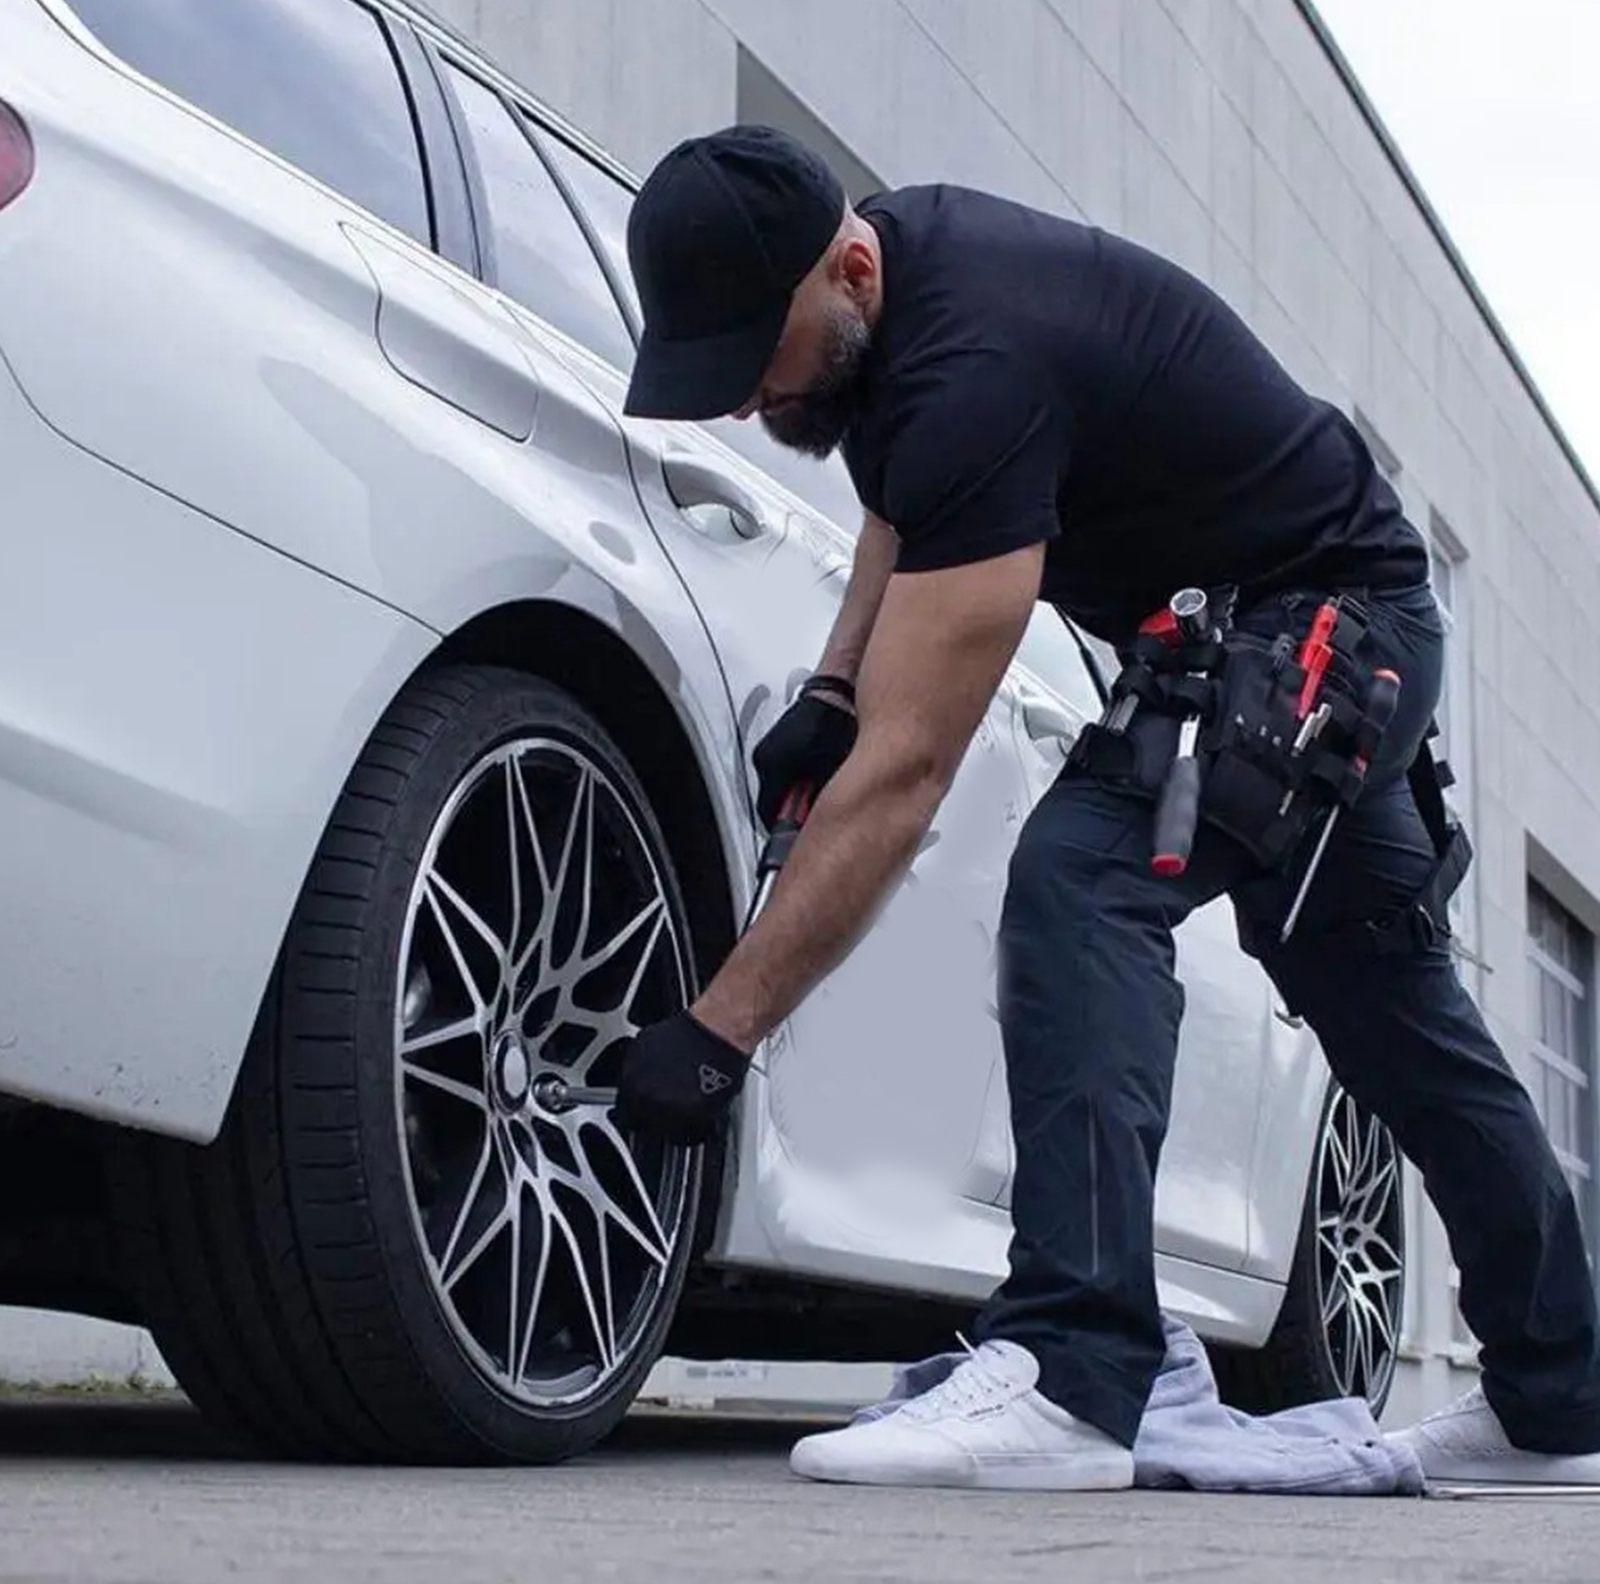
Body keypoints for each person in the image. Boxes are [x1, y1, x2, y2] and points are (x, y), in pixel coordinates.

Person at [610, 123, 1600, 1492]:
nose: (739, 404)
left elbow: (906, 777)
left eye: (753, 358)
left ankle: (1073, 1374)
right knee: (1392, 1009)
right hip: (1328, 627)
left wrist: (720, 1034)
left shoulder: (975, 361)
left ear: (848, 271)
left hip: (1324, 630)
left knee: (1080, 881)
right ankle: (1561, 1406)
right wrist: (835, 683)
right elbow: (904, 499)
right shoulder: (896, 289)